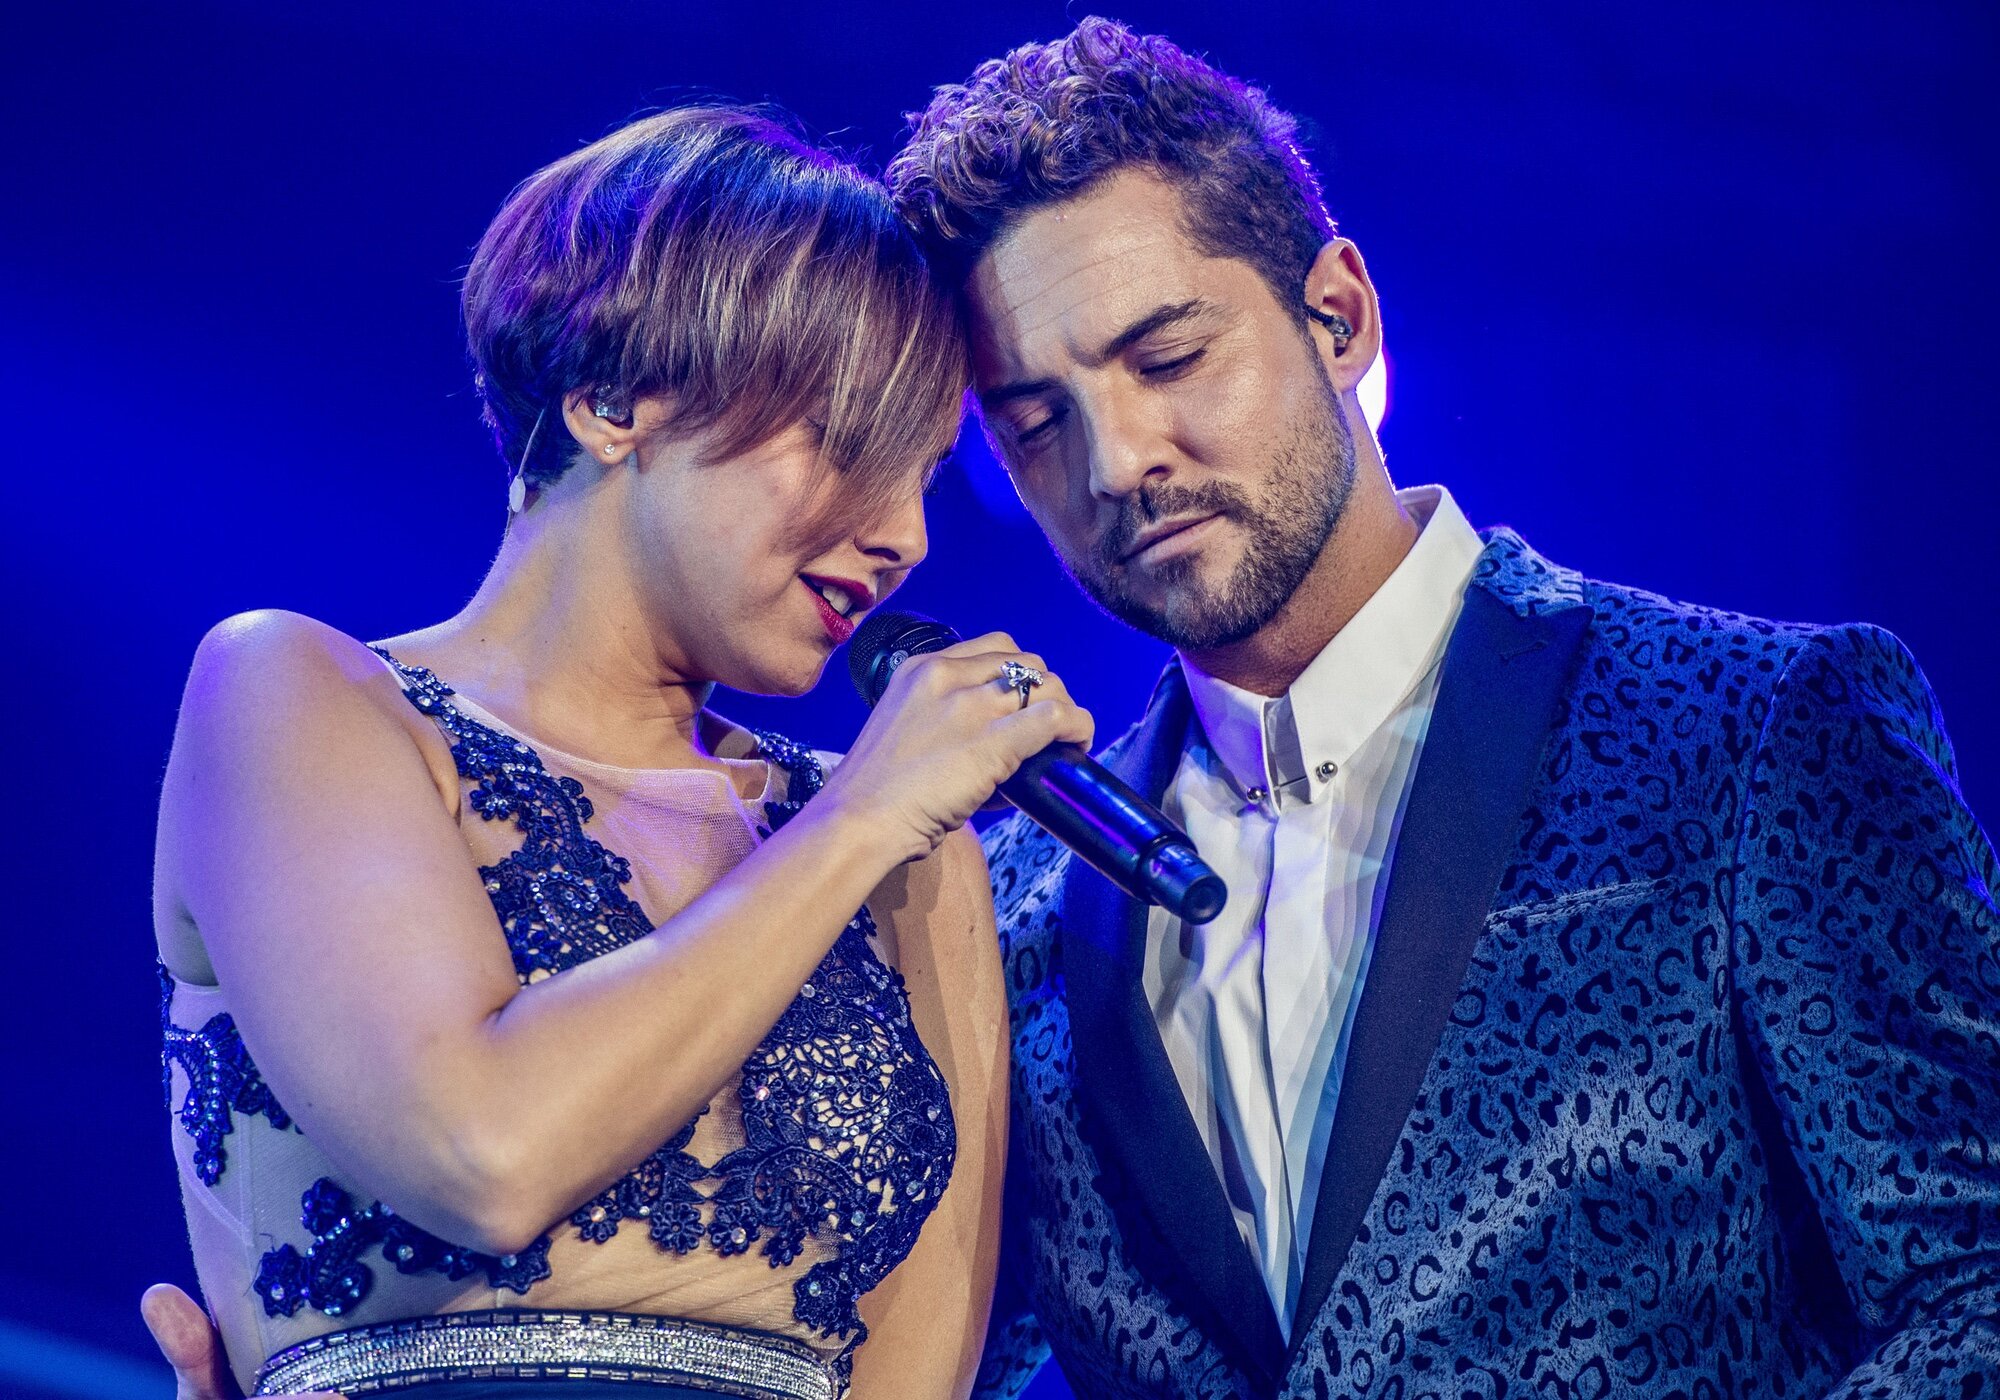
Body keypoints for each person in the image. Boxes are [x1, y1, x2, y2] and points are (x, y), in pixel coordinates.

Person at [880, 17, 2000, 1399]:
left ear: (1338, 317)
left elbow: (1972, 1291)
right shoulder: (1013, 895)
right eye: (1038, 422)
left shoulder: (1753, 730)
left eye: (1168, 359)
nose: (1119, 461)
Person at [145, 104, 1095, 1400]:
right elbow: (483, 1147)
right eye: (844, 441)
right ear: (611, 401)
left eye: (928, 473)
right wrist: (864, 816)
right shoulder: (300, 695)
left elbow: (920, 1368)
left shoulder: (902, 853)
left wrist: (867, 822)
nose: (906, 537)